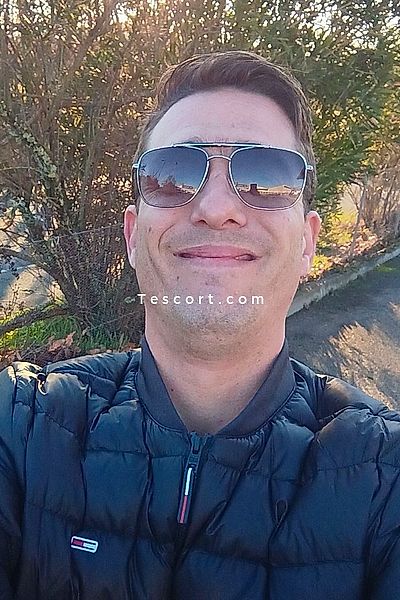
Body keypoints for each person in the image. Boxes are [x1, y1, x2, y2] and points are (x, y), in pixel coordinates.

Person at [0, 51, 399, 600]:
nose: (215, 207)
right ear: (132, 236)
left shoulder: (384, 476)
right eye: (173, 174)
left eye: (264, 175)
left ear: (308, 242)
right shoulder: (20, 426)